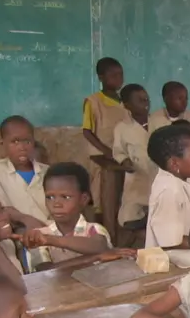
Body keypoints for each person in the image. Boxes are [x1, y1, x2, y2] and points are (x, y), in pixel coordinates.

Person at [17, 163, 127, 270]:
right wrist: (94, 258)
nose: (56, 204)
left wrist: (51, 240)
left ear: (83, 199)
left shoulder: (93, 229)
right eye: (50, 197)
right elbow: (44, 271)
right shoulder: (39, 235)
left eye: (65, 197)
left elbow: (99, 246)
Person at [145, 123, 190, 249]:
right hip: (171, 260)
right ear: (174, 164)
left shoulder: (187, 182)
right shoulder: (169, 190)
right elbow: (170, 242)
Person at [82, 57, 128, 207]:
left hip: (122, 155)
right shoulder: (93, 102)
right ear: (101, 77)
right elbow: (87, 131)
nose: (118, 79)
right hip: (101, 157)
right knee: (101, 196)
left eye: (120, 74)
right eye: (113, 75)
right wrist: (106, 151)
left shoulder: (126, 101)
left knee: (121, 197)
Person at [111, 83, 156, 229]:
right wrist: (125, 161)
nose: (145, 102)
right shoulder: (122, 128)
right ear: (127, 105)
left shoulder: (159, 123)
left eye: (146, 99)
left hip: (158, 175)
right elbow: (118, 151)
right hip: (137, 178)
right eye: (140, 100)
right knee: (129, 218)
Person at [0, 115, 49, 224]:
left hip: (49, 228)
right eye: (15, 142)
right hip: (19, 228)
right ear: (3, 144)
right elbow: (3, 207)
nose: (22, 148)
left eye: (27, 142)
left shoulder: (47, 172)